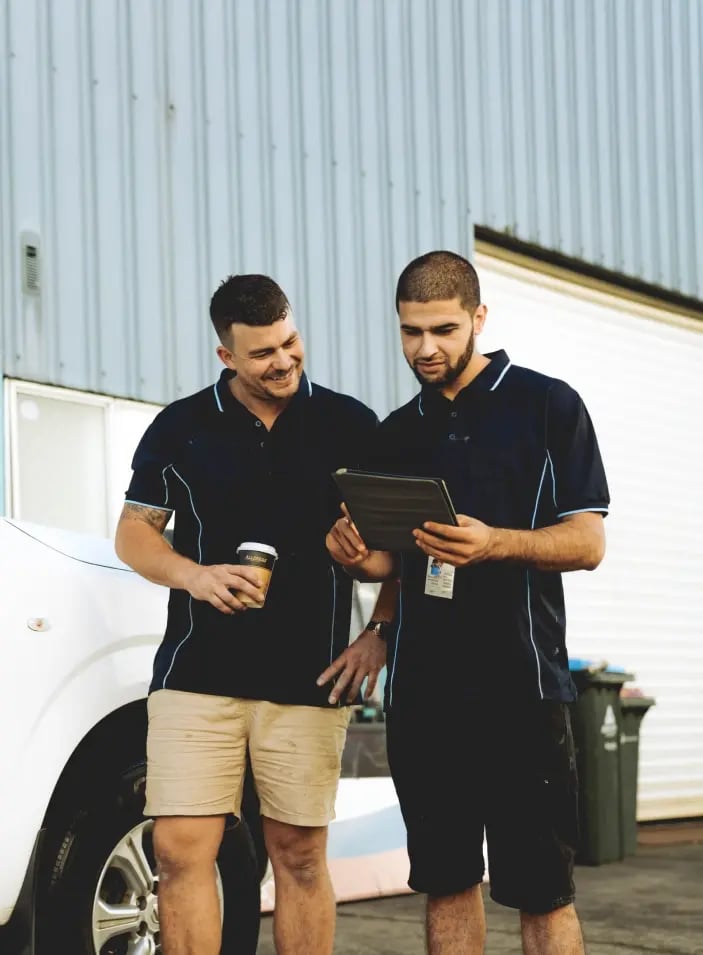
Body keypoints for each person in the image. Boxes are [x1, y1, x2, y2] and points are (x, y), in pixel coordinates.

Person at [322, 251, 609, 955]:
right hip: (424, 696)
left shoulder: (548, 405)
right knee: (446, 882)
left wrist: (495, 544)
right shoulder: (393, 432)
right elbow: (393, 559)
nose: (424, 348)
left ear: (478, 317)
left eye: (443, 329)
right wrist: (358, 558)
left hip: (523, 686)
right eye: (409, 331)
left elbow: (586, 540)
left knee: (541, 889)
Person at [115, 273, 381, 955]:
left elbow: (399, 546)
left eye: (289, 341)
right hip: (196, 670)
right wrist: (194, 575)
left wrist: (377, 625)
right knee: (178, 850)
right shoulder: (180, 426)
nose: (284, 360)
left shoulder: (350, 424)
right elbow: (135, 533)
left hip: (308, 673)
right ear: (225, 356)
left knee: (297, 853)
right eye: (262, 353)